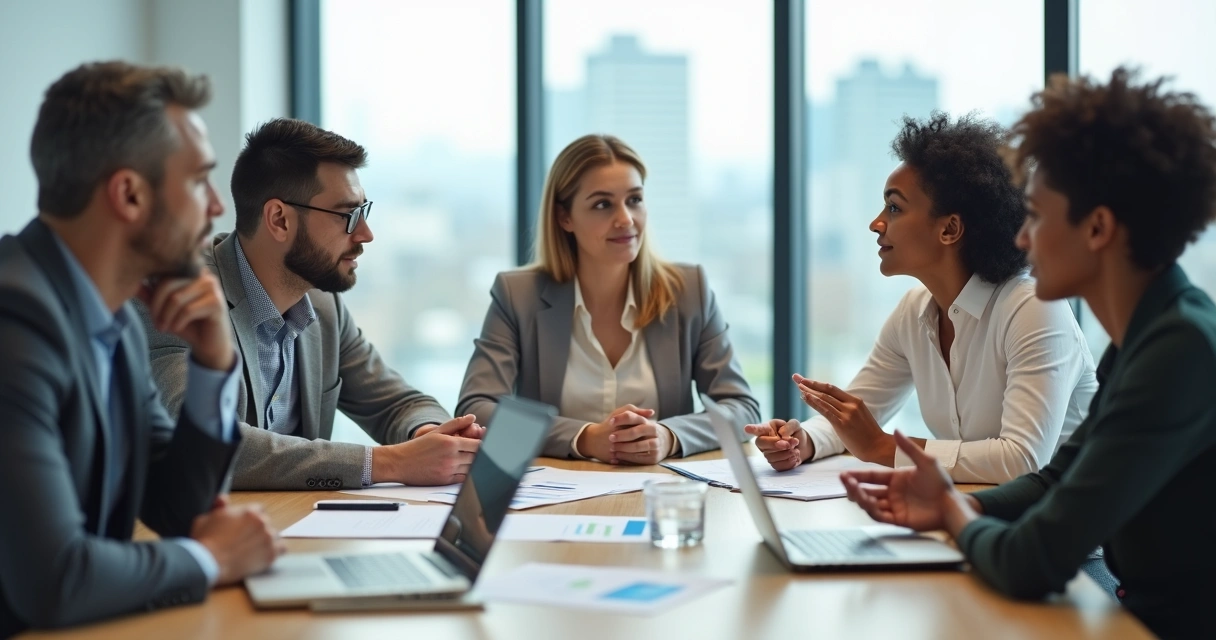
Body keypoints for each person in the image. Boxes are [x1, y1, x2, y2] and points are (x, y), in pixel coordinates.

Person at [840, 68, 1216, 640]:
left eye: (1036, 216)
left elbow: (1032, 559)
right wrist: (946, 499)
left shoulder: (1180, 351)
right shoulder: (1149, 335)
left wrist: (955, 516)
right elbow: (1053, 481)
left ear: (1097, 228)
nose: (1020, 238)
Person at [0, 61, 281, 636]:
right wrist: (215, 560)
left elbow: (180, 511)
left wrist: (213, 362)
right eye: (199, 180)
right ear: (129, 194)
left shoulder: (116, 320)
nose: (216, 208)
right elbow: (56, 579)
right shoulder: (15, 325)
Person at [748, 113, 1098, 484]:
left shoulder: (1032, 309)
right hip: (978, 518)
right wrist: (802, 441)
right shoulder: (915, 311)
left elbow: (1022, 458)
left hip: (1063, 536)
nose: (876, 223)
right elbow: (858, 415)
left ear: (949, 229)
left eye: (894, 208)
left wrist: (883, 448)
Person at [141, 118, 484, 491]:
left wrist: (432, 436)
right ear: (279, 220)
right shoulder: (181, 297)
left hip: (291, 528)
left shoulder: (322, 305)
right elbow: (207, 444)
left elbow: (395, 402)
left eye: (364, 212)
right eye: (347, 216)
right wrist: (390, 462)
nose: (366, 234)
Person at [457, 134, 759, 462]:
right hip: (555, 497)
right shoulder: (518, 295)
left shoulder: (688, 290)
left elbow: (741, 408)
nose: (626, 219)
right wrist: (583, 438)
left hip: (659, 488)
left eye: (634, 200)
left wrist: (668, 436)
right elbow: (478, 408)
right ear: (564, 217)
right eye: (603, 204)